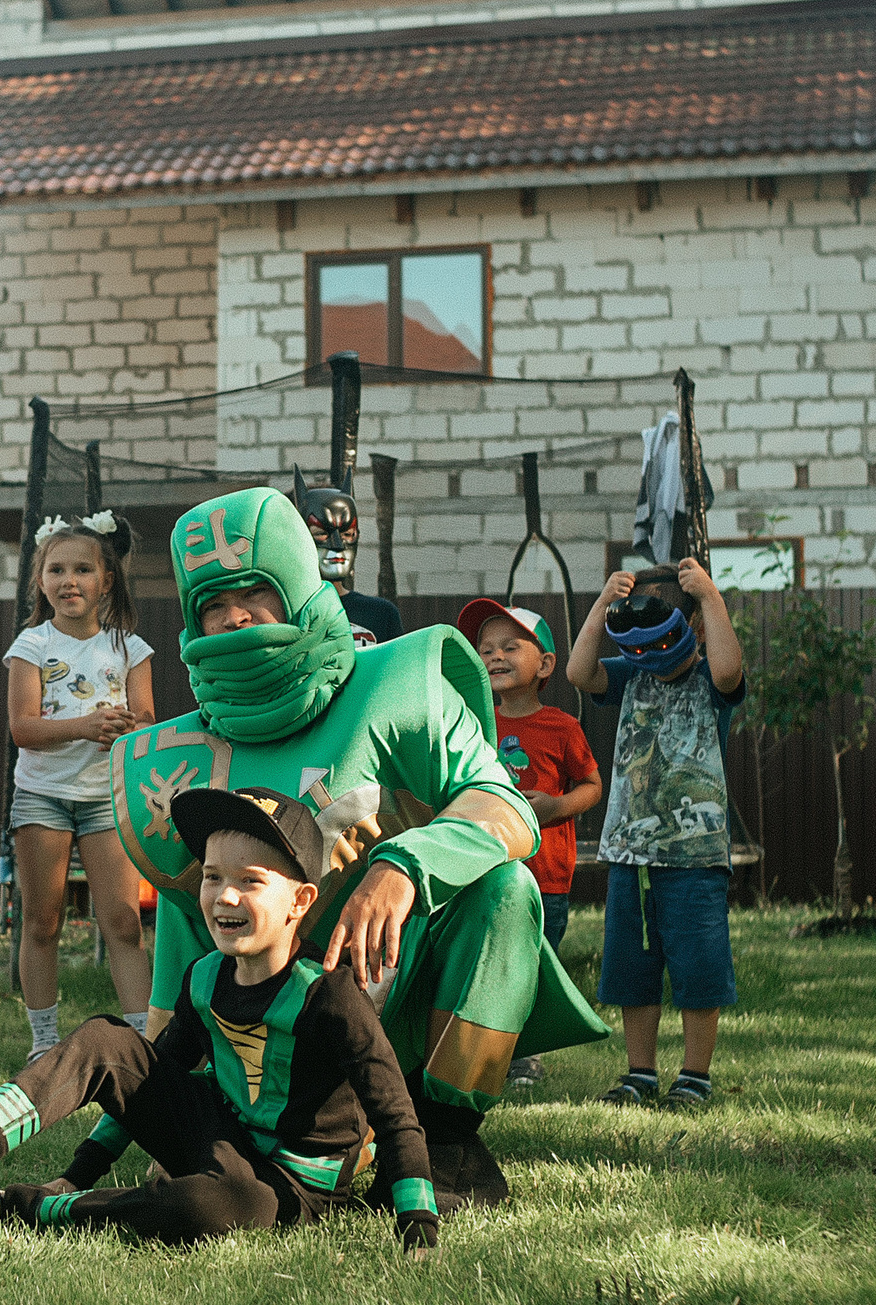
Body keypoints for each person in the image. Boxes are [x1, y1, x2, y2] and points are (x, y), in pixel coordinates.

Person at [106, 487, 608, 1207]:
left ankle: (444, 1136)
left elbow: (504, 806)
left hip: (397, 992)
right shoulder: (174, 756)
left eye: (254, 590)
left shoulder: (398, 686)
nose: (234, 614)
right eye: (213, 602)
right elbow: (184, 941)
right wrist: (163, 1117)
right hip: (272, 1034)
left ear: (302, 588)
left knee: (507, 890)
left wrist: (405, 866)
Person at [0, 786, 439, 1257]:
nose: (225, 897)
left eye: (251, 881)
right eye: (212, 877)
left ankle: (11, 1207)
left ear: (301, 901)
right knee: (110, 1040)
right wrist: (78, 1171)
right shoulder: (205, 977)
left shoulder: (331, 996)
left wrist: (416, 1219)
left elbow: (393, 1111)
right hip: (222, 1142)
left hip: (290, 1191)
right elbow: (147, 1084)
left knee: (203, 1209)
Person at [563, 559, 746, 1109]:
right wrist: (601, 605)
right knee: (632, 970)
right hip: (631, 854)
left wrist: (710, 596)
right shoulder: (632, 673)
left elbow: (730, 671)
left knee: (699, 966)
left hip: (696, 856)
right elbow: (578, 673)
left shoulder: (708, 679)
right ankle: (639, 1073)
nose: (650, 655)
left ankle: (694, 1076)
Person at [3, 510, 156, 1057]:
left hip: (104, 800)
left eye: (83, 570)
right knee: (42, 921)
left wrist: (124, 729)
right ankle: (44, 1044)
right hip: (43, 797)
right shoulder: (31, 646)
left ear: (106, 580)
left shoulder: (130, 649)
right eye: (56, 570)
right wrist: (86, 725)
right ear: (40, 580)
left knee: (121, 920)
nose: (69, 581)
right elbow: (22, 729)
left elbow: (146, 722)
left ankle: (143, 1041)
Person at [457, 599, 603, 1089]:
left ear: (544, 664)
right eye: (485, 648)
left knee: (538, 964)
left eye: (509, 647)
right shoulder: (472, 723)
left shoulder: (561, 727)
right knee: (491, 960)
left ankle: (529, 1055)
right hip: (486, 869)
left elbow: (591, 785)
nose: (494, 656)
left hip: (546, 875)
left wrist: (554, 808)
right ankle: (487, 1047)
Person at [294, 474, 401, 646]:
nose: (338, 546)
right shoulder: (283, 614)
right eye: (321, 533)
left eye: (347, 534)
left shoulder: (380, 614)